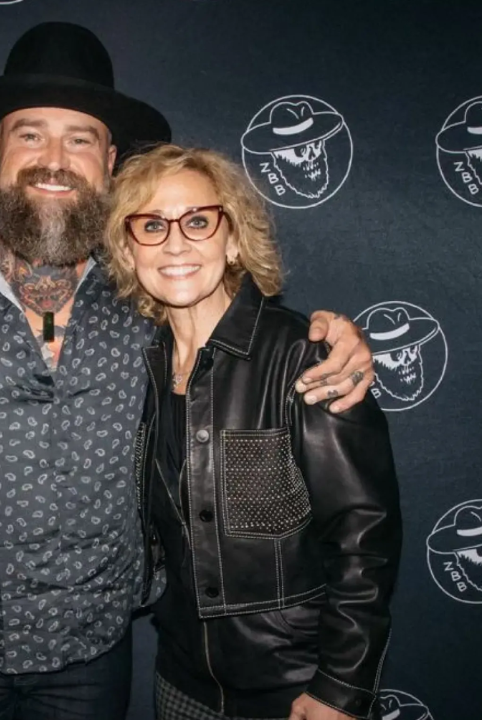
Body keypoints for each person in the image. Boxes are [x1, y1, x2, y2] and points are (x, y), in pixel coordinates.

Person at [0, 22, 376, 720]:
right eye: (31, 134)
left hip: (96, 653)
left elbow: (240, 317)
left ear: (109, 161)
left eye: (80, 139)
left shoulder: (148, 289)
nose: (54, 160)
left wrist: (329, 336)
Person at [103, 144, 402, 720]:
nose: (174, 243)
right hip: (180, 680)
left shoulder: (303, 358)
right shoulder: (139, 362)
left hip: (292, 690)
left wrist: (342, 686)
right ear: (128, 247)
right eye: (151, 225)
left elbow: (363, 537)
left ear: (234, 238)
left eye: (197, 221)